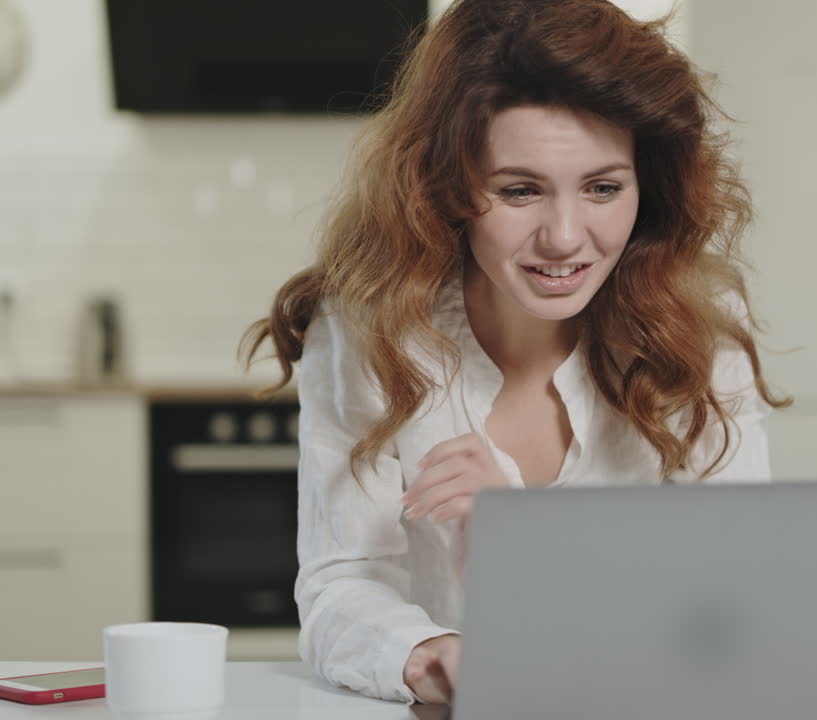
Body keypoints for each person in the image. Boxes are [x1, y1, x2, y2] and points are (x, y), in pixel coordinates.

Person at [240, 0, 789, 706]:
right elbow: (341, 584)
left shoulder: (700, 333)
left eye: (602, 188)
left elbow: (734, 598)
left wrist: (530, 544)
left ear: (646, 186)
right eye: (520, 190)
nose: (565, 237)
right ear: (447, 186)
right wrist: (432, 654)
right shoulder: (366, 330)